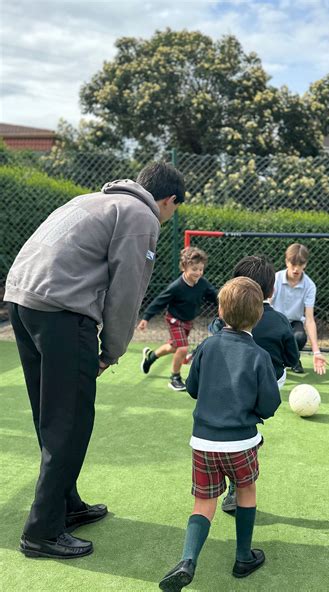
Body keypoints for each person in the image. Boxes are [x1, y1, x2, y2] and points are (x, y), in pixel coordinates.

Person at [4, 161, 185, 559]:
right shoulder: (142, 215)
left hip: (22, 302)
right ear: (168, 200)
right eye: (173, 209)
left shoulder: (92, 200)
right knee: (70, 420)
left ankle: (65, 505)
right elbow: (127, 289)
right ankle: (42, 532)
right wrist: (112, 350)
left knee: (51, 414)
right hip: (63, 313)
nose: (169, 217)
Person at [158, 277, 281, 591]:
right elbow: (269, 405)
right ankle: (243, 557)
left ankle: (187, 560)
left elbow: (194, 389)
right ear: (259, 316)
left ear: (221, 312)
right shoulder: (259, 356)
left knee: (203, 503)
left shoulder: (207, 346)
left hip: (203, 443)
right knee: (246, 491)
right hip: (241, 443)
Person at [208, 255, 299, 513]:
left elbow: (215, 337)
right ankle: (240, 478)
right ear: (271, 290)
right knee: (247, 427)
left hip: (232, 383)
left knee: (237, 418)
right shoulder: (280, 320)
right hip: (269, 384)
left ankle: (231, 481)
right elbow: (292, 359)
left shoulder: (221, 322)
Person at [137, 246, 217, 391]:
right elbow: (159, 301)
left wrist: (226, 304)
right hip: (174, 320)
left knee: (174, 347)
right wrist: (146, 318)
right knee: (183, 348)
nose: (198, 272)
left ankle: (151, 357)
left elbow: (215, 296)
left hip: (187, 321)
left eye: (200, 269)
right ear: (184, 267)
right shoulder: (176, 287)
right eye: (194, 269)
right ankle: (175, 378)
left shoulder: (202, 284)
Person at [272, 243, 327, 375]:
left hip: (294, 322)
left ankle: (292, 359)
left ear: (305, 264)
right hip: (275, 320)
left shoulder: (310, 286)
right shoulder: (275, 279)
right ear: (286, 262)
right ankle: (275, 360)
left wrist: (316, 352)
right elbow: (265, 306)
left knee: (300, 337)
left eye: (300, 265)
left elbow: (309, 319)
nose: (296, 269)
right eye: (293, 264)